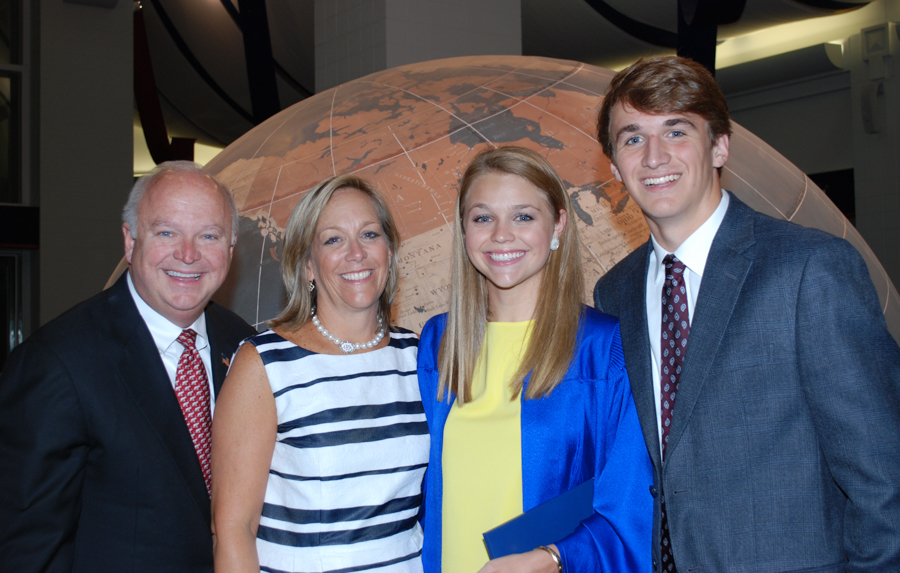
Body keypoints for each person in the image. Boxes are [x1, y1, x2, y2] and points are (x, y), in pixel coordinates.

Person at [593, 55, 900, 573]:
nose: (653, 156)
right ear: (613, 165)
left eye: (676, 130)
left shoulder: (810, 269)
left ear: (719, 146)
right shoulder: (614, 292)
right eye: (632, 138)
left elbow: (884, 475)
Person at [0, 161, 257, 572]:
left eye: (208, 235)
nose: (188, 254)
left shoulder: (244, 347)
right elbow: (29, 549)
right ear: (129, 240)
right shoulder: (58, 363)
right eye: (167, 232)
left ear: (229, 250)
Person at [417, 146, 652, 573]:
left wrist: (555, 558)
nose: (501, 235)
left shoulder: (603, 350)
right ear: (464, 230)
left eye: (523, 216)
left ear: (558, 224)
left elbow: (634, 506)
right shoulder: (438, 342)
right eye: (482, 217)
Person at [211, 174, 428, 573]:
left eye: (369, 234)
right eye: (333, 240)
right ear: (308, 265)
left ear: (390, 251)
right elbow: (232, 529)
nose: (356, 253)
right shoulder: (263, 363)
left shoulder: (420, 356)